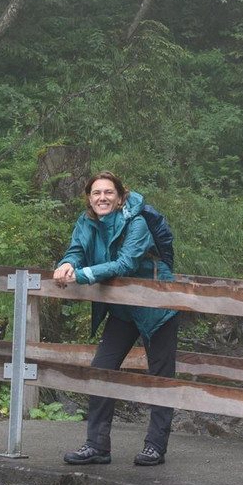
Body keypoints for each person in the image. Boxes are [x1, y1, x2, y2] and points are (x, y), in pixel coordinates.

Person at [52, 170, 178, 467]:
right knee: (101, 370)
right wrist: (67, 264)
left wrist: (80, 276)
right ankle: (97, 446)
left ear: (121, 197)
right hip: (122, 308)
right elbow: (77, 251)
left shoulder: (137, 223)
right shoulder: (86, 222)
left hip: (157, 306)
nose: (102, 198)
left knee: (160, 377)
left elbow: (125, 263)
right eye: (96, 193)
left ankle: (155, 446)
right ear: (89, 198)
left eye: (108, 192)